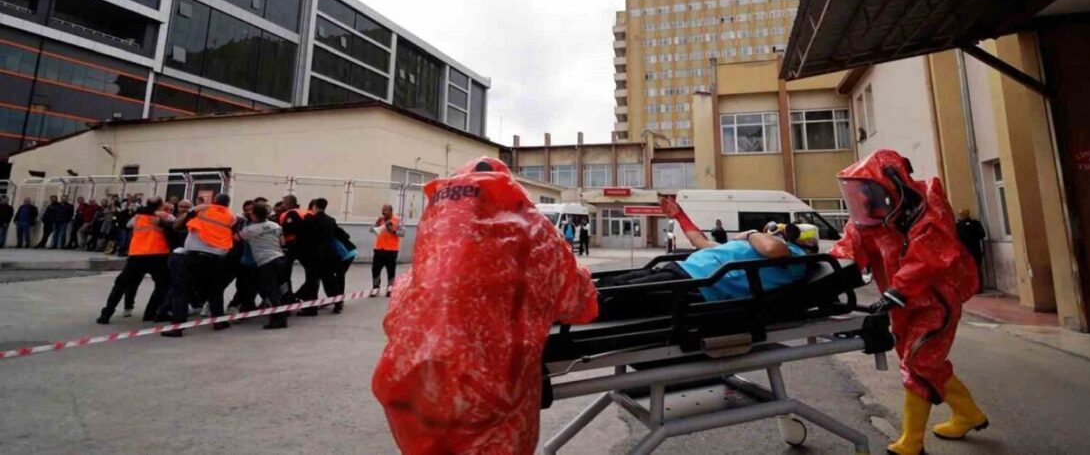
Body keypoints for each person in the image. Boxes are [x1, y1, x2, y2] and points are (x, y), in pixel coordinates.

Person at [373, 157, 598, 455]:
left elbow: (403, 305)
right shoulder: (532, 231)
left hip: (409, 387)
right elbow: (578, 303)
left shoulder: (434, 238)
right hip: (491, 395)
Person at [831, 149, 986, 455]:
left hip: (935, 303)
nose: (865, 199)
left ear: (894, 186)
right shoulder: (870, 218)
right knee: (924, 363)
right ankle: (968, 414)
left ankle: (911, 442)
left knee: (918, 364)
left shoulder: (927, 211)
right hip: (902, 305)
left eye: (870, 191)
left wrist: (896, 291)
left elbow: (928, 257)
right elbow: (848, 248)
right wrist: (826, 273)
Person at [598, 198, 807, 319]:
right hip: (681, 271)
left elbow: (772, 248)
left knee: (617, 296)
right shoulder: (749, 249)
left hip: (696, 284)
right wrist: (680, 215)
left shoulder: (795, 256)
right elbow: (700, 242)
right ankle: (581, 296)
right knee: (612, 283)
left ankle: (580, 310)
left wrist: (751, 233)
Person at [162, 193, 237, 337]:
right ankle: (218, 321)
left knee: (181, 290)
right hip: (217, 258)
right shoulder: (231, 216)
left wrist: (191, 211)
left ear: (214, 201)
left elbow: (177, 226)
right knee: (215, 291)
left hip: (194, 256)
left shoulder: (202, 209)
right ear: (227, 204)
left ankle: (177, 326)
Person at [96, 197, 174, 324]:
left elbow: (128, 225)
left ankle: (106, 314)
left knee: (121, 284)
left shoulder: (138, 217)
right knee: (163, 284)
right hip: (157, 254)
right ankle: (150, 313)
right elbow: (174, 224)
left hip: (137, 254)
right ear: (160, 205)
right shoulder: (164, 216)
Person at [238, 201, 290, 330]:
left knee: (269, 291)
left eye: (251, 213)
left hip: (267, 261)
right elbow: (282, 242)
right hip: (280, 258)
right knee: (275, 289)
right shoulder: (275, 225)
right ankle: (280, 314)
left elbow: (236, 238)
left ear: (255, 215)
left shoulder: (251, 229)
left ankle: (279, 319)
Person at [370, 204, 403, 297]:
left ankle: (390, 290)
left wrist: (393, 231)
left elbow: (403, 233)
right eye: (383, 210)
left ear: (391, 211)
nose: (383, 212)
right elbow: (371, 230)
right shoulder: (380, 220)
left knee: (391, 271)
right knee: (375, 270)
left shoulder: (397, 220)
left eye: (385, 210)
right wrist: (376, 224)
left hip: (391, 251)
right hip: (379, 249)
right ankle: (375, 288)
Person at [955, 209, 987, 287]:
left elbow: (982, 234)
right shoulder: (957, 226)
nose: (962, 215)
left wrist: (971, 232)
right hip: (963, 251)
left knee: (976, 268)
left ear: (968, 214)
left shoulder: (975, 223)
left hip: (974, 250)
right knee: (965, 270)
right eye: (960, 214)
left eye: (964, 213)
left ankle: (978, 286)